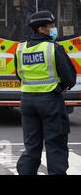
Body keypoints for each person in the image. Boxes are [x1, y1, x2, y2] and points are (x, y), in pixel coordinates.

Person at [15, 11, 76, 175]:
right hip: (50, 101)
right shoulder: (53, 48)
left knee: (32, 145)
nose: (54, 29)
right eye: (51, 26)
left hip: (27, 102)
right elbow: (70, 78)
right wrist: (57, 88)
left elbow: (19, 74)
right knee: (55, 144)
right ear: (42, 29)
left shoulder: (20, 48)